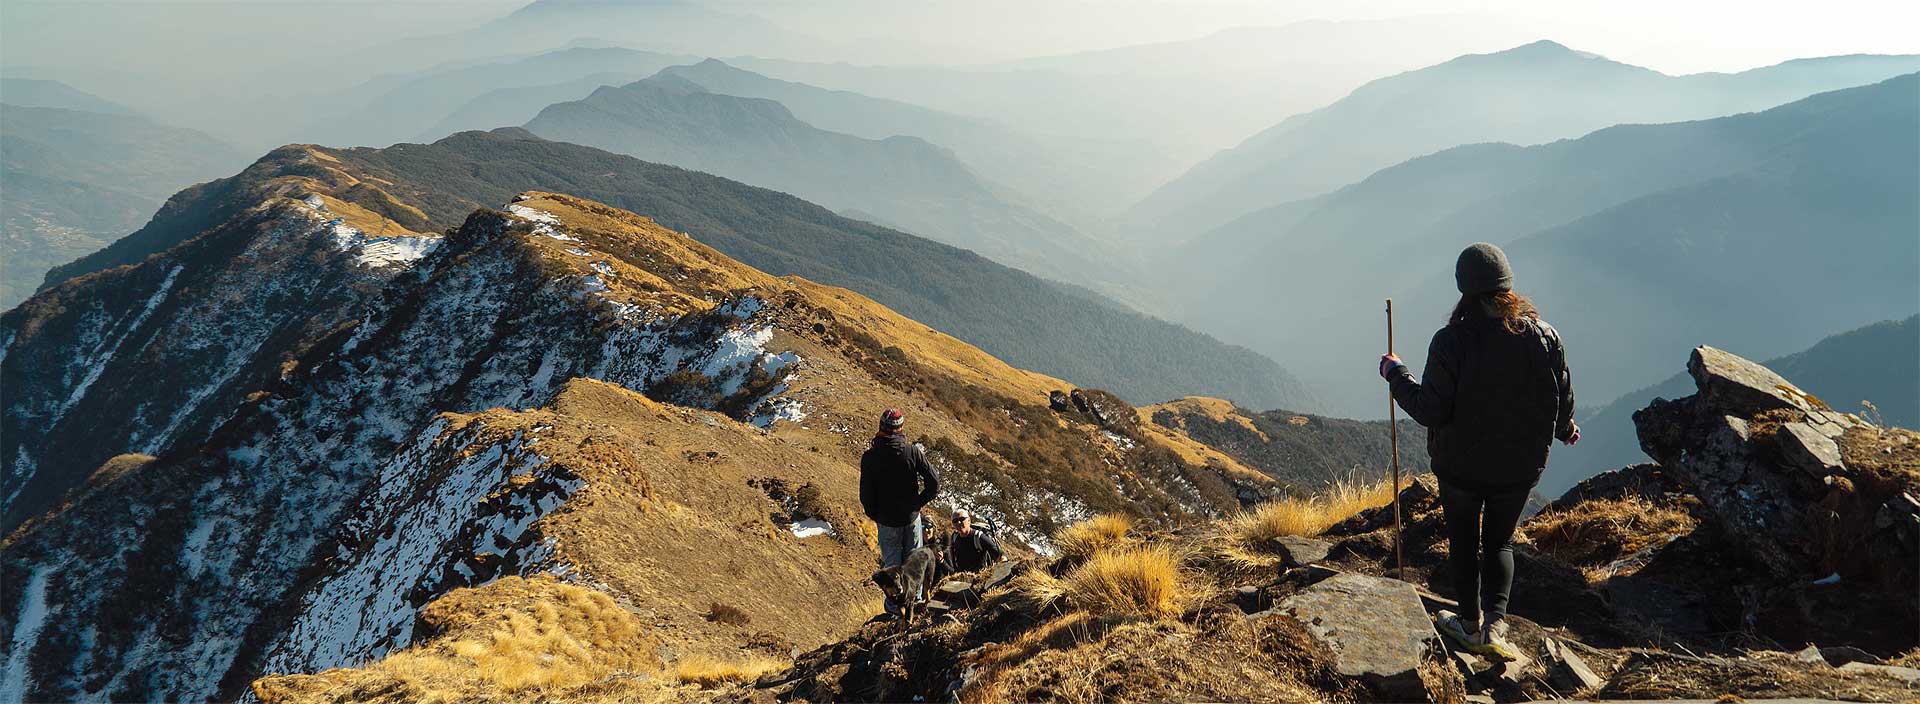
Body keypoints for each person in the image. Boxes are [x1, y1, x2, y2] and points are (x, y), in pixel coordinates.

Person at [1378, 242, 1578, 661]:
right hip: (1519, 467)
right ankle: (1496, 625)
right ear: (1507, 285)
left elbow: (1431, 409)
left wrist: (1397, 375)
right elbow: (1558, 394)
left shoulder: (1451, 341)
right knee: (1501, 541)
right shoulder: (1544, 337)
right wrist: (1564, 429)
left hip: (1460, 468)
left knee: (1465, 542)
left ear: (1463, 288)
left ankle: (1468, 625)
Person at [859, 408, 939, 613]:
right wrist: (918, 503)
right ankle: (917, 602)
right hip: (911, 517)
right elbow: (934, 482)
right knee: (914, 562)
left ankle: (896, 609)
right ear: (901, 428)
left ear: (881, 427)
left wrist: (875, 514)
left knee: (892, 566)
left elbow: (866, 494)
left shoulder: (870, 457)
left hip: (887, 521)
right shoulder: (912, 452)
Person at [944, 508, 1004, 573]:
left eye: (962, 519)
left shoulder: (979, 537)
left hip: (979, 578)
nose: (958, 523)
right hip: (961, 578)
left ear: (969, 520)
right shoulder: (954, 537)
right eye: (955, 521)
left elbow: (999, 555)